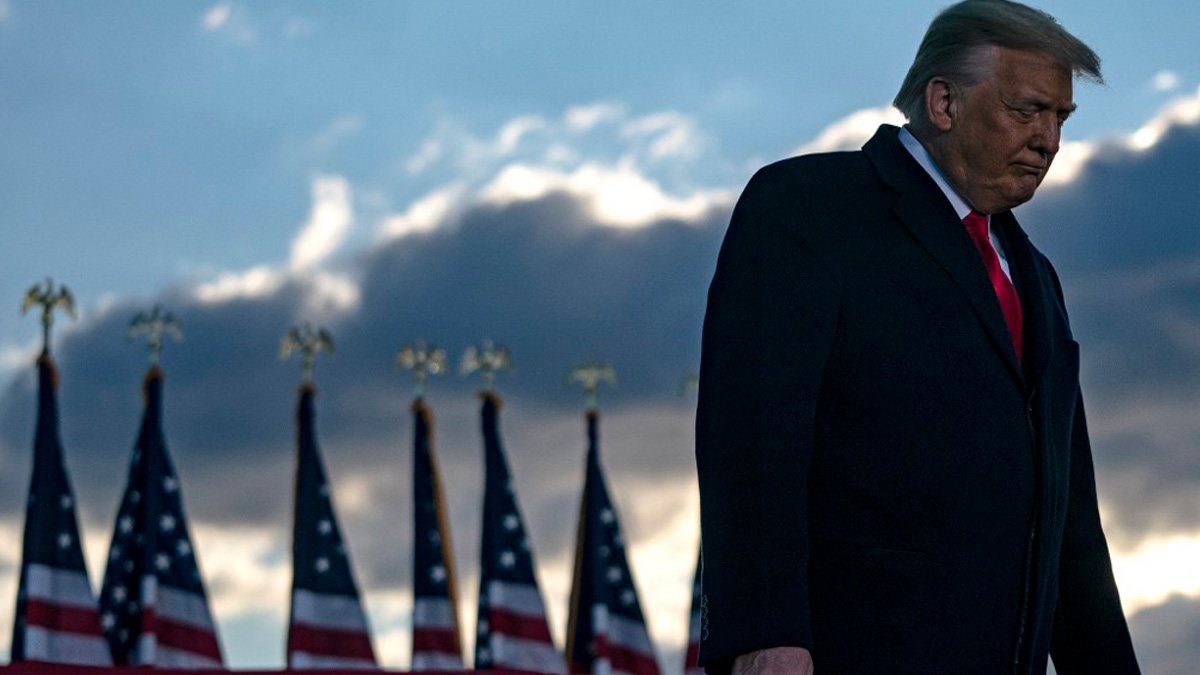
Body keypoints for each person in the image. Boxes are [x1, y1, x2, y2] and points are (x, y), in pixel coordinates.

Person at [694, 1, 1141, 673]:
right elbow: (755, 437)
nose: (1049, 139)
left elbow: (1069, 517)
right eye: (1027, 111)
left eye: (1060, 117)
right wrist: (766, 635)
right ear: (943, 102)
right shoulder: (807, 207)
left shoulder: (1038, 278)